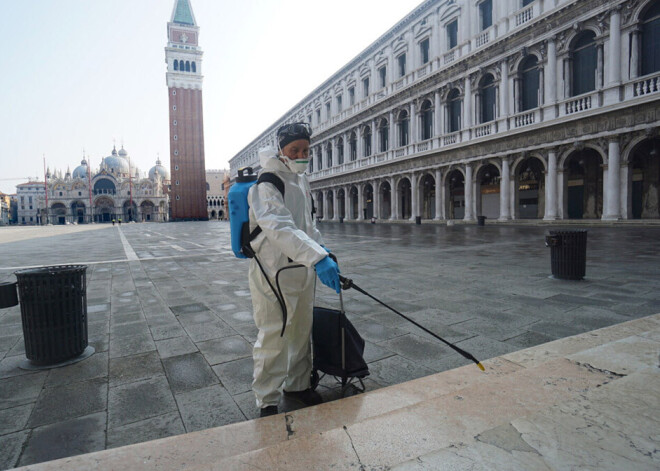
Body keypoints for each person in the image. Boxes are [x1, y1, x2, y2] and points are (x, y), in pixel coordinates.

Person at [247, 122, 341, 417]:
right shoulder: (267, 181)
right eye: (294, 150)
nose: (301, 155)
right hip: (272, 271)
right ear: (281, 150)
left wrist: (325, 253)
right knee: (274, 333)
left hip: (302, 269)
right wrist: (317, 257)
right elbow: (278, 227)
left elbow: (308, 226)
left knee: (301, 330)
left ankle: (298, 385)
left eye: (305, 150)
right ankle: (267, 399)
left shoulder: (301, 179)